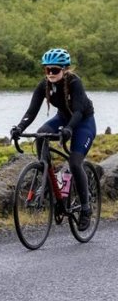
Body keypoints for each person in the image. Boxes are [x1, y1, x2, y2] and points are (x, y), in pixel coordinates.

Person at [10, 48, 96, 231]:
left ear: (64, 70)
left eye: (55, 70)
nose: (50, 73)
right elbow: (31, 111)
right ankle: (50, 179)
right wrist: (19, 128)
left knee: (74, 162)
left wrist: (69, 130)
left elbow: (79, 111)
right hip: (63, 118)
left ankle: (86, 208)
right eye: (47, 70)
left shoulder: (75, 83)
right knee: (41, 135)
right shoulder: (44, 85)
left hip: (82, 122)